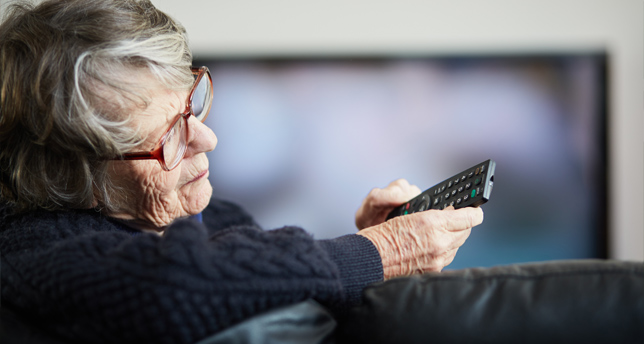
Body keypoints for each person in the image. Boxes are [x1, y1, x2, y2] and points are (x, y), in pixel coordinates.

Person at [0, 0, 484, 343]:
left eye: (192, 106)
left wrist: (363, 254)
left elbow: (265, 299)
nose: (206, 139)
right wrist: (379, 253)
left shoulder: (217, 215)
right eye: (168, 139)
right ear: (69, 176)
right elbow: (175, 287)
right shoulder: (30, 249)